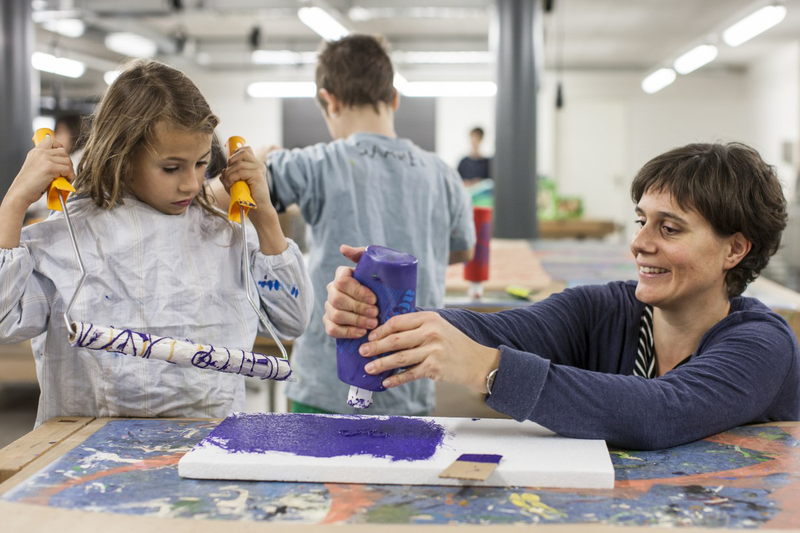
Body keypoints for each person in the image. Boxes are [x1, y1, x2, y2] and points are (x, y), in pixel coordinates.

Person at [323, 142, 800, 450]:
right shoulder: (603, 310)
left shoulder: (761, 344)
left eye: (669, 228)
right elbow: (495, 329)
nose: (639, 242)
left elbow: (662, 411)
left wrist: (489, 369)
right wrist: (388, 314)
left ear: (734, 249)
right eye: (642, 221)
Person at [0, 59, 312, 427]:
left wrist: (266, 220)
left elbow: (291, 320)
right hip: (90, 459)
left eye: (200, 164)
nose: (192, 184)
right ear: (122, 155)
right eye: (171, 168)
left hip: (205, 450)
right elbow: (5, 322)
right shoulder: (67, 237)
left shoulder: (222, 237)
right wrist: (14, 202)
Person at [216, 34, 475, 416]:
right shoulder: (443, 174)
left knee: (314, 476)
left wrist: (259, 159)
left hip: (326, 383)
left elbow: (213, 196)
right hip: (409, 378)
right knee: (399, 475)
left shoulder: (314, 163)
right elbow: (462, 250)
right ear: (394, 99)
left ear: (329, 100)